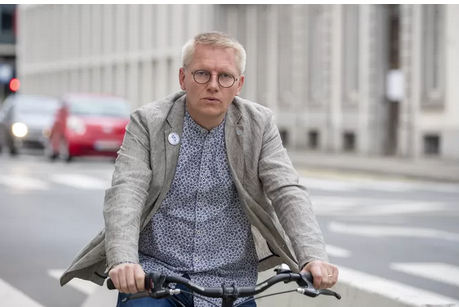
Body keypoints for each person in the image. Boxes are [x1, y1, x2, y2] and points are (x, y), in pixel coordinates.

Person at [60, 31, 339, 307]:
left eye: (225, 76)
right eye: (202, 73)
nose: (214, 85)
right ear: (183, 78)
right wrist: (124, 260)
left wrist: (313, 257)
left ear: (238, 84)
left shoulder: (259, 124)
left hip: (232, 284)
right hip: (156, 279)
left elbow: (287, 190)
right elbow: (126, 192)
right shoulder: (148, 122)